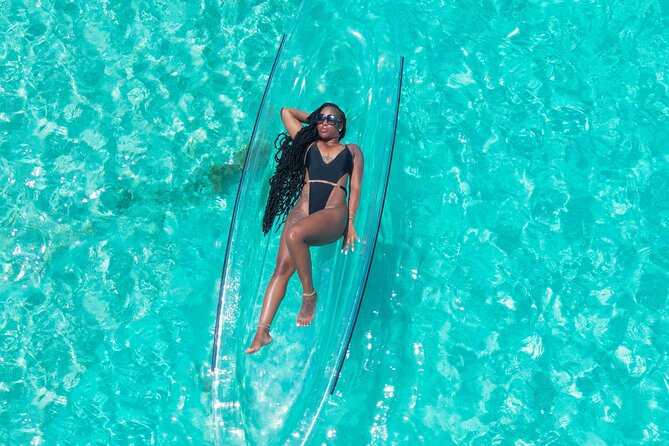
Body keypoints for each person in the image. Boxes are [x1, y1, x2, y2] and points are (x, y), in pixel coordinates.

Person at [245, 102, 364, 354]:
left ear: (341, 126)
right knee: (281, 269)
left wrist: (350, 223)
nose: (323, 122)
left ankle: (309, 295)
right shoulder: (308, 144)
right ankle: (262, 332)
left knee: (294, 233)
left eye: (331, 119)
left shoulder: (352, 150)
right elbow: (286, 112)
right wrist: (315, 120)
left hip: (333, 213)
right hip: (304, 208)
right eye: (320, 117)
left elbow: (355, 188)